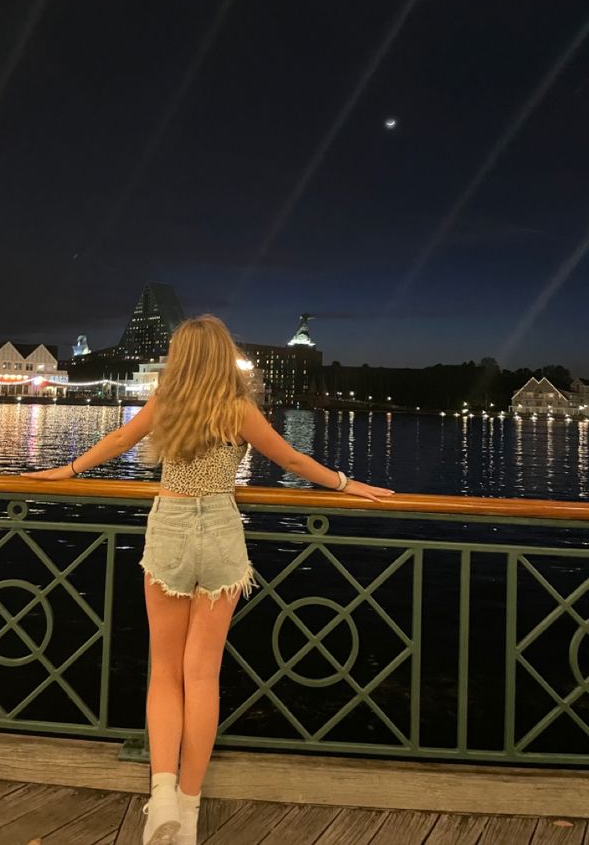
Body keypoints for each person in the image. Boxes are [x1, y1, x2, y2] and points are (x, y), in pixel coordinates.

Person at [25, 315, 395, 845]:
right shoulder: (238, 409)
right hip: (220, 532)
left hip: (171, 530)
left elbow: (120, 439)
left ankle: (163, 797)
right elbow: (289, 458)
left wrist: (70, 469)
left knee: (164, 672)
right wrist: (347, 482)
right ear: (225, 358)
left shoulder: (166, 404)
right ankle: (192, 809)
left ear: (180, 358)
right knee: (201, 677)